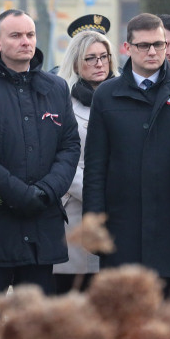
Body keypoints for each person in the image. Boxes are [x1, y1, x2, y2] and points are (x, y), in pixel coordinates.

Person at [0, 9, 79, 316]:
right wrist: (18, 194)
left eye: (30, 35)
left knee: (38, 323)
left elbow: (69, 146)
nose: (26, 42)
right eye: (16, 36)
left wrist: (47, 190)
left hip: (43, 223)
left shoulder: (56, 88)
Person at [83, 12, 170, 288]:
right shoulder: (107, 94)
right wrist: (93, 223)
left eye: (159, 44)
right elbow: (96, 165)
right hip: (121, 227)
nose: (153, 52)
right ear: (127, 48)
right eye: (144, 45)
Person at [53, 28, 119, 293]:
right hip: (75, 207)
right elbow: (60, 157)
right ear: (76, 62)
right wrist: (98, 191)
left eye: (104, 56)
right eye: (90, 58)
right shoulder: (62, 102)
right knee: (73, 291)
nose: (99, 63)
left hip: (117, 208)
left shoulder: (123, 98)